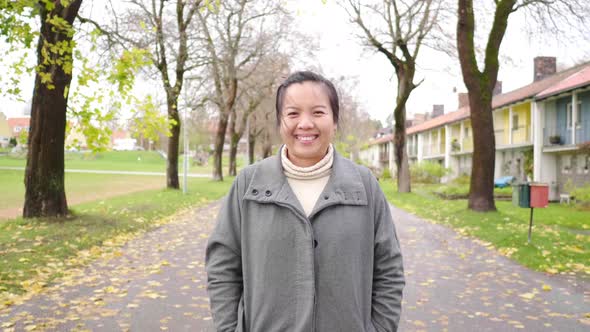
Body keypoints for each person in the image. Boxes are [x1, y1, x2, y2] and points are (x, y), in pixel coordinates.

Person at [206, 71, 404, 332]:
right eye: (293, 113)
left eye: (319, 112)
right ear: (280, 122)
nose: (306, 123)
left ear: (334, 122)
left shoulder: (364, 185)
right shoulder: (248, 184)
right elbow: (222, 268)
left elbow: (388, 269)